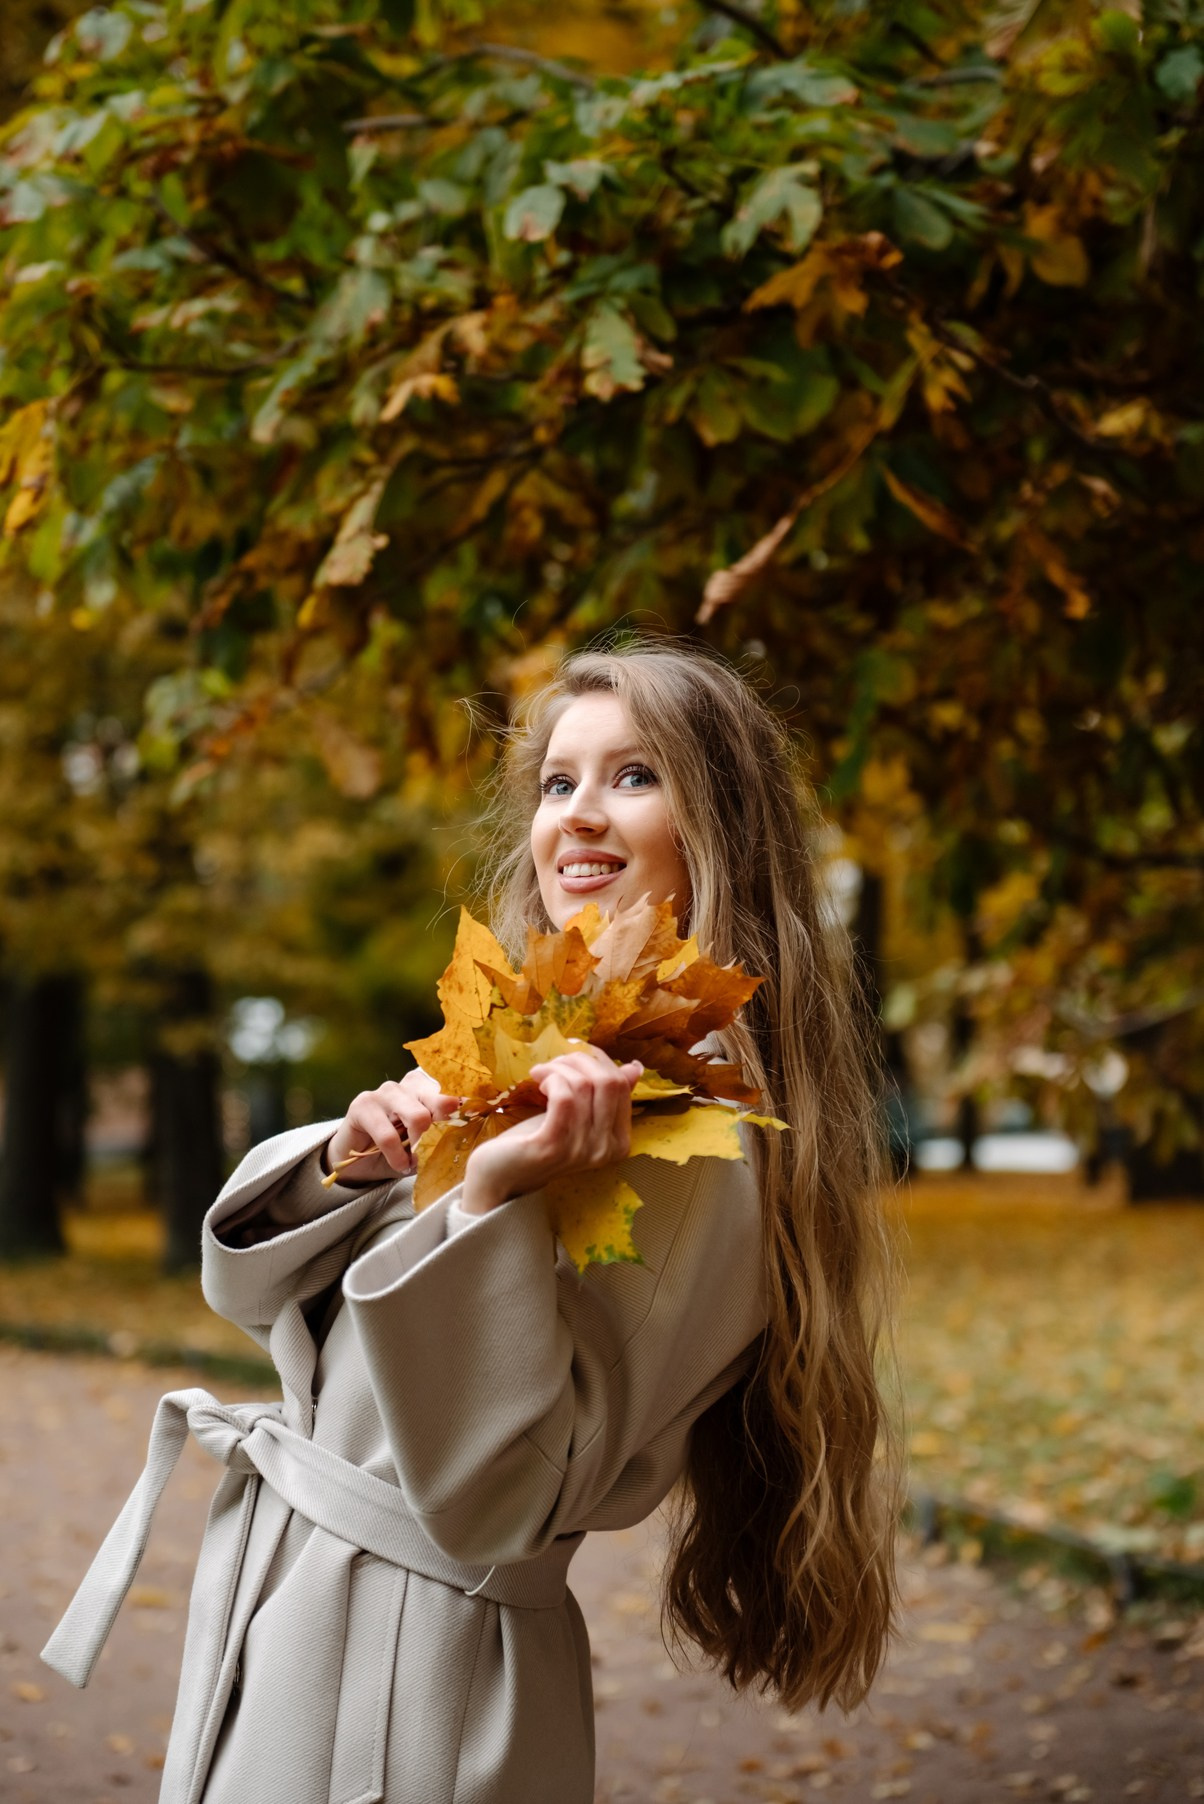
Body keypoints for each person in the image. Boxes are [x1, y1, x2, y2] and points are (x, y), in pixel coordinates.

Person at [42, 638, 901, 1804]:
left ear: (725, 827)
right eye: (559, 782)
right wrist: (349, 1166)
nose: (579, 817)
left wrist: (489, 1198)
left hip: (412, 1678)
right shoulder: (554, 1048)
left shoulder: (689, 1125)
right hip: (318, 1614)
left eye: (634, 777)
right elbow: (257, 1306)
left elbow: (500, 1498)